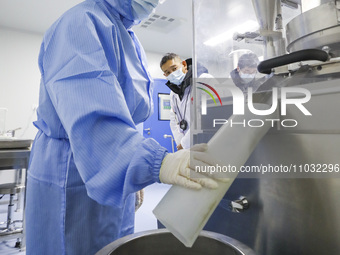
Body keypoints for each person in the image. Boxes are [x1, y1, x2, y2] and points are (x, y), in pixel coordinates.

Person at [25, 1, 221, 254]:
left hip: (115, 163)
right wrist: (155, 163)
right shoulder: (81, 22)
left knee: (113, 246)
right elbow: (91, 114)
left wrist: (130, 175)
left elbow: (126, 115)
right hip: (73, 168)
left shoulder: (128, 37)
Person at [160, 53, 212, 150]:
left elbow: (207, 115)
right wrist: (181, 143)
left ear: (184, 64)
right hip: (187, 146)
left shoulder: (204, 79)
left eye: (174, 69)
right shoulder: (173, 93)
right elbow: (173, 120)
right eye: (167, 72)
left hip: (207, 142)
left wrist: (185, 143)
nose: (172, 74)